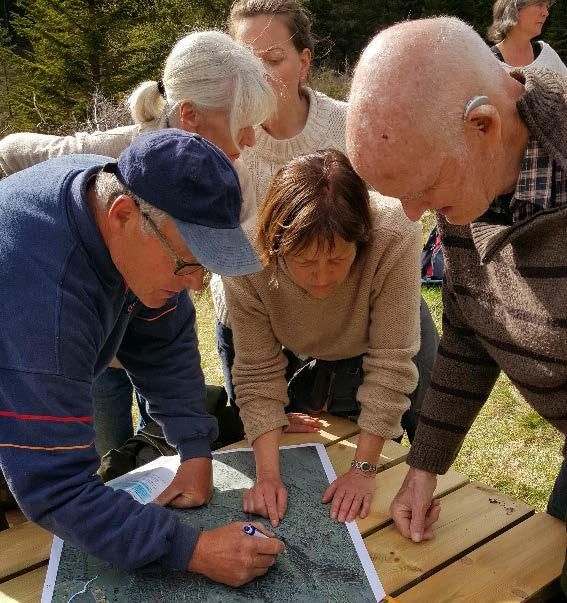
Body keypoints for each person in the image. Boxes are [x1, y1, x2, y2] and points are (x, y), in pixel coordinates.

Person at [0, 128, 285, 584]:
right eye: (187, 264)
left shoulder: (121, 200)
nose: (196, 284)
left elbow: (165, 342)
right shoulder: (43, 301)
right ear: (123, 215)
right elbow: (52, 486)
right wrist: (193, 549)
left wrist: (194, 450)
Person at [346, 16, 567, 596]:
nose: (416, 214)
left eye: (423, 188)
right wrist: (424, 466)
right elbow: (471, 331)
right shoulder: (467, 174)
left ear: (482, 123)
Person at [0, 30, 276, 455]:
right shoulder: (110, 158)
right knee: (101, 441)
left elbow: (177, 332)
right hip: (87, 340)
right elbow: (16, 152)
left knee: (161, 430)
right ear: (190, 115)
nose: (251, 140)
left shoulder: (232, 176)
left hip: (151, 316)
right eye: (242, 124)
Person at [214, 0, 439, 441]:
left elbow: (391, 225)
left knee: (419, 420)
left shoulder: (352, 126)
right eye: (243, 62)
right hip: (255, 309)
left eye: (272, 60)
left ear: (303, 62)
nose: (256, 76)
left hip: (361, 307)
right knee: (264, 426)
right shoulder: (218, 139)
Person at [224, 149, 422, 527]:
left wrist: (363, 470)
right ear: (277, 247)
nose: (321, 278)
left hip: (386, 336)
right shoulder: (246, 257)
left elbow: (391, 362)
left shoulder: (394, 233)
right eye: (305, 261)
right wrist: (267, 477)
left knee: (421, 439)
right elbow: (257, 370)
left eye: (337, 259)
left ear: (361, 242)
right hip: (305, 343)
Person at [487, 0, 567, 75]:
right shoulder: (489, 62)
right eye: (540, 4)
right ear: (515, 9)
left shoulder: (546, 55)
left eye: (546, 6)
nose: (546, 13)